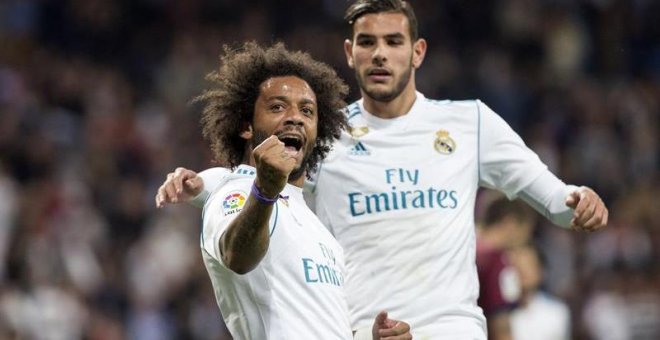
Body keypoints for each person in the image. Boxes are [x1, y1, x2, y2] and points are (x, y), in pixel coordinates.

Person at [156, 1, 608, 338]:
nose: (380, 54)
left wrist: (578, 200)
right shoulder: (325, 135)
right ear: (350, 52)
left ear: (418, 52)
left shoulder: (469, 122)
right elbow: (267, 173)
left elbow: (553, 197)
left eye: (393, 42)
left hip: (452, 330)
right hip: (363, 331)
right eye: (368, 43)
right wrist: (202, 184)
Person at [187, 41, 411, 339]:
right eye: (277, 107)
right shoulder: (234, 194)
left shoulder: (318, 229)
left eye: (307, 110)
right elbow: (237, 257)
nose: (295, 117)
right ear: (246, 126)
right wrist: (264, 191)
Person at [476, 196, 537, 340]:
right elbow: (500, 325)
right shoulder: (497, 263)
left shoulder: (461, 249)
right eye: (525, 232)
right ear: (510, 224)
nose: (524, 241)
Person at [508, 244, 571, 340]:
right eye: (518, 266)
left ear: (541, 271)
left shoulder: (556, 312)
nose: (523, 271)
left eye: (529, 266)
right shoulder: (499, 310)